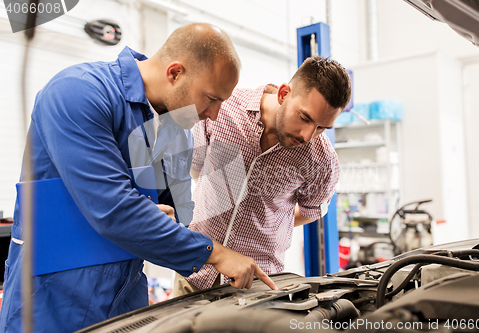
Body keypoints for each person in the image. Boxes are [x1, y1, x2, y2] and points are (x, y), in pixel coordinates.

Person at [0, 23, 276, 333]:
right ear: (175, 73)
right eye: (211, 98)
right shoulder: (78, 92)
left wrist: (165, 219)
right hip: (53, 303)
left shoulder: (179, 134)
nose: (213, 114)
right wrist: (215, 253)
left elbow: (175, 215)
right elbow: (114, 210)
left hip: (125, 303)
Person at [173, 56, 352, 296]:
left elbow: (310, 211)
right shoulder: (224, 108)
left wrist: (271, 221)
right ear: (283, 94)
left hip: (257, 283)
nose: (309, 135)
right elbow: (197, 166)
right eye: (305, 118)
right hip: (196, 267)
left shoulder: (322, 160)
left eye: (322, 127)